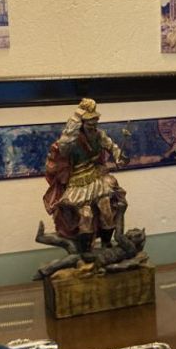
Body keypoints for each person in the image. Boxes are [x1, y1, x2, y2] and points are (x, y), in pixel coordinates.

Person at [43, 98, 128, 253]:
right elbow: (63, 148)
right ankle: (85, 252)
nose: (93, 126)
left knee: (106, 210)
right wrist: (76, 116)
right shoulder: (71, 141)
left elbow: (112, 147)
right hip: (78, 182)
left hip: (97, 177)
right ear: (81, 123)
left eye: (95, 122)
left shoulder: (99, 135)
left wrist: (119, 157)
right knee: (86, 216)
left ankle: (106, 244)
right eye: (89, 123)